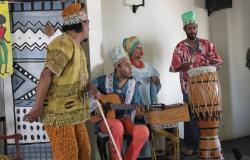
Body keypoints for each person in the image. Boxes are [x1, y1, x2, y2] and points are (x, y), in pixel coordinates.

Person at [24, 3, 95, 160]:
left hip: (74, 113)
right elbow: (45, 75)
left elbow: (79, 77)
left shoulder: (78, 47)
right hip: (59, 115)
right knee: (68, 155)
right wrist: (37, 107)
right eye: (87, 22)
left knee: (84, 153)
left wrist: (91, 87)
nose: (89, 25)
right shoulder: (64, 44)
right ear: (81, 23)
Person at [169, 10, 223, 156]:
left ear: (197, 27)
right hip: (188, 88)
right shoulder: (180, 47)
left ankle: (209, 143)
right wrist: (187, 63)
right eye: (189, 28)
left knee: (207, 115)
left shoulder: (207, 44)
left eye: (194, 27)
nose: (192, 30)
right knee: (190, 116)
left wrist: (210, 68)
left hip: (208, 87)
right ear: (184, 29)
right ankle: (192, 145)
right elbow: (173, 68)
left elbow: (218, 62)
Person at [92, 45, 149, 160]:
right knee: (117, 126)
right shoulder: (103, 80)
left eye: (130, 65)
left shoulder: (134, 85)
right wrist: (95, 106)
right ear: (117, 67)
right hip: (106, 122)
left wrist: (138, 113)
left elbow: (136, 107)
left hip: (126, 121)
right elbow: (85, 90)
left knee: (144, 131)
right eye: (127, 65)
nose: (131, 68)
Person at [123, 36, 166, 154]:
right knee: (137, 135)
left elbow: (157, 85)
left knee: (150, 134)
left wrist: (156, 80)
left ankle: (150, 155)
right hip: (135, 108)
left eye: (141, 48)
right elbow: (123, 86)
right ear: (131, 50)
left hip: (149, 105)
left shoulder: (148, 66)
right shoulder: (126, 68)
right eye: (138, 48)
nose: (141, 50)